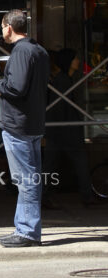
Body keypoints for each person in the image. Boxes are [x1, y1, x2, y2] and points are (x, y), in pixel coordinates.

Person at [0, 9, 51, 247]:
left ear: (9, 27)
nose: (1, 32)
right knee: (29, 179)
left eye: (2, 27)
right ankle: (25, 227)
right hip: (32, 122)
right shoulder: (38, 50)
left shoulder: (21, 51)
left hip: (18, 125)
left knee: (26, 180)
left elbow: (17, 87)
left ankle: (28, 231)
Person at [44, 48, 100, 207]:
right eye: (75, 59)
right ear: (68, 62)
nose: (77, 61)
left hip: (59, 131)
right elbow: (61, 109)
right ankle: (86, 197)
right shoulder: (63, 81)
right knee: (79, 163)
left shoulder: (64, 79)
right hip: (65, 131)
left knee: (50, 165)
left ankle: (44, 196)